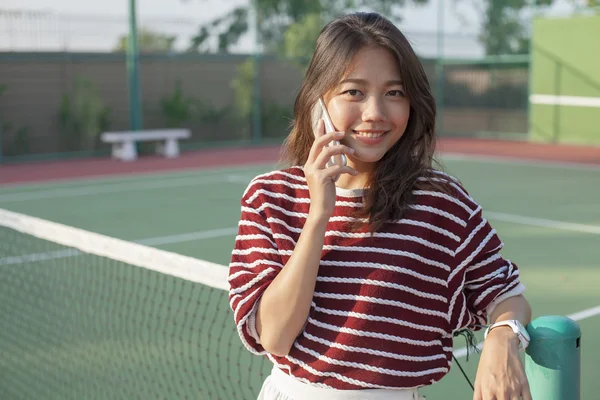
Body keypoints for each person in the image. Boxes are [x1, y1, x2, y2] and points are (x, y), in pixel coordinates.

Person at [228, 12, 532, 400]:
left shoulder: (442, 203)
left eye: (394, 93)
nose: (374, 113)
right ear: (319, 101)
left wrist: (503, 340)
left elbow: (505, 292)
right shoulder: (272, 198)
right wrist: (319, 213)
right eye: (353, 91)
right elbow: (274, 336)